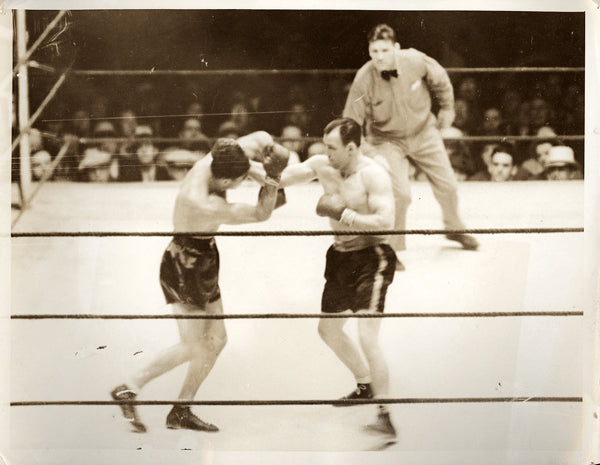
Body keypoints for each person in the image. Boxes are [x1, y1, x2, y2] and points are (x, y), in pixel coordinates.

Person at [110, 133, 289, 433]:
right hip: (184, 263)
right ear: (225, 183)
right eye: (240, 181)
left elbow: (259, 138)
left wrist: (261, 168)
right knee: (192, 344)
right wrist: (272, 177)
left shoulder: (215, 159)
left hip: (205, 255)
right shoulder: (204, 203)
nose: (241, 184)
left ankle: (181, 409)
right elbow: (261, 214)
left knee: (217, 340)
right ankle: (128, 387)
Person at [272, 118, 398, 439]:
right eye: (325, 145)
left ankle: (385, 415)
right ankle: (365, 385)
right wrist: (257, 164)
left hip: (372, 258)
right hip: (340, 257)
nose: (325, 152)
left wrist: (346, 215)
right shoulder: (322, 165)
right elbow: (281, 179)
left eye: (332, 147)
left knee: (368, 336)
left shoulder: (373, 174)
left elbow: (386, 221)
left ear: (352, 147)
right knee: (327, 330)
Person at [343, 24, 478, 271]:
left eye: (384, 50)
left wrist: (448, 108)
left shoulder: (416, 60)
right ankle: (391, 249)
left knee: (448, 184)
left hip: (424, 131)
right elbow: (351, 120)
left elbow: (441, 80)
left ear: (396, 48)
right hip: (386, 140)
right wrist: (361, 155)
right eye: (374, 51)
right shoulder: (364, 77)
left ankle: (454, 227)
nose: (379, 57)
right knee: (400, 194)